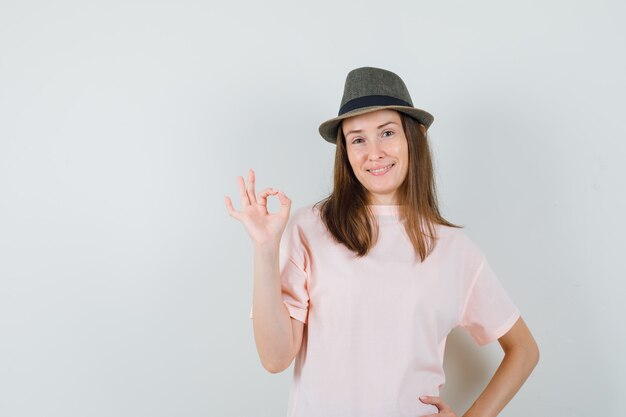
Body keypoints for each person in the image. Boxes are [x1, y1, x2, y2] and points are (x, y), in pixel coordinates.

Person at [224, 67, 539, 417]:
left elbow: (524, 349)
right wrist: (265, 250)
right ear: (345, 150)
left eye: (386, 133)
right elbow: (275, 357)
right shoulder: (309, 228)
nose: (373, 152)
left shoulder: (454, 249)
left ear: (413, 137)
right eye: (358, 139)